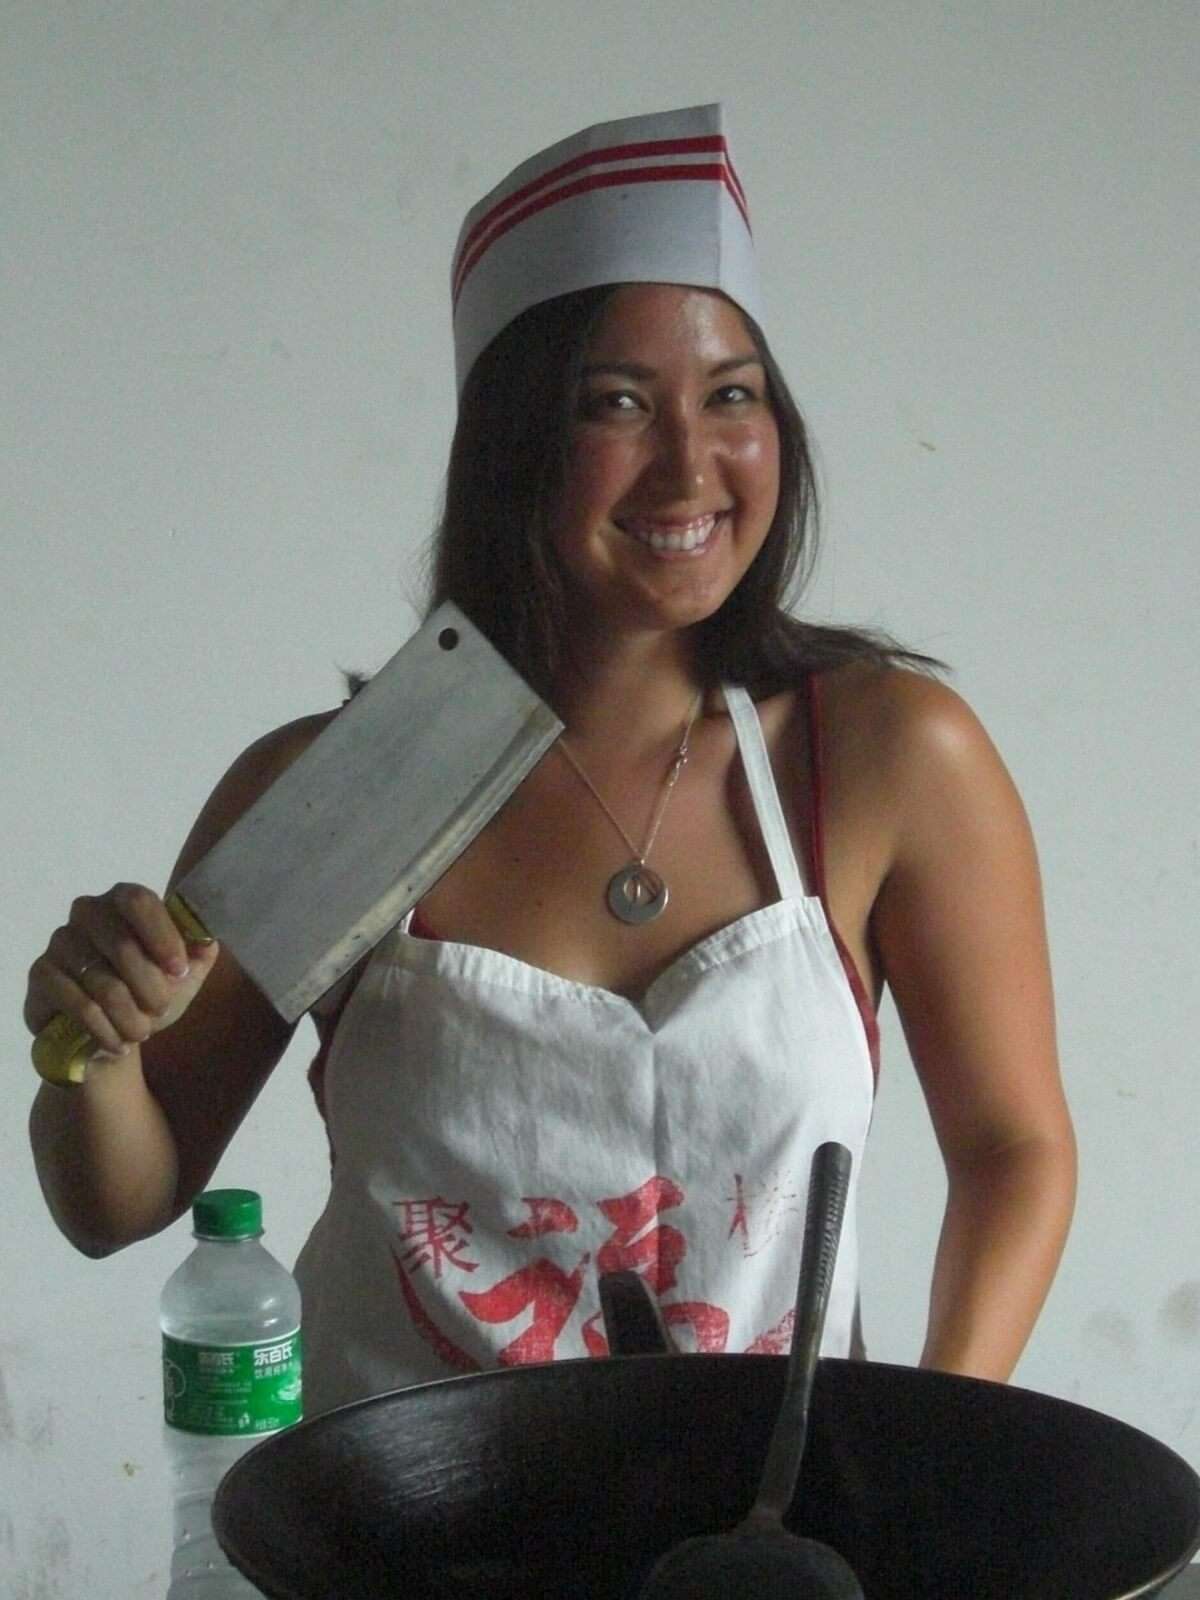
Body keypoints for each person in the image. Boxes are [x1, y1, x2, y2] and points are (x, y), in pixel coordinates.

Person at [26, 105, 1075, 1414]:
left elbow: (1013, 1145)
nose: (692, 463)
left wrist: (933, 1437)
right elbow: (118, 1198)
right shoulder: (370, 779)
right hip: (403, 1537)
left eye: (732, 395)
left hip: (762, 1542)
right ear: (515, 443)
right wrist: (92, 1047)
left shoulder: (878, 760)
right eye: (617, 403)